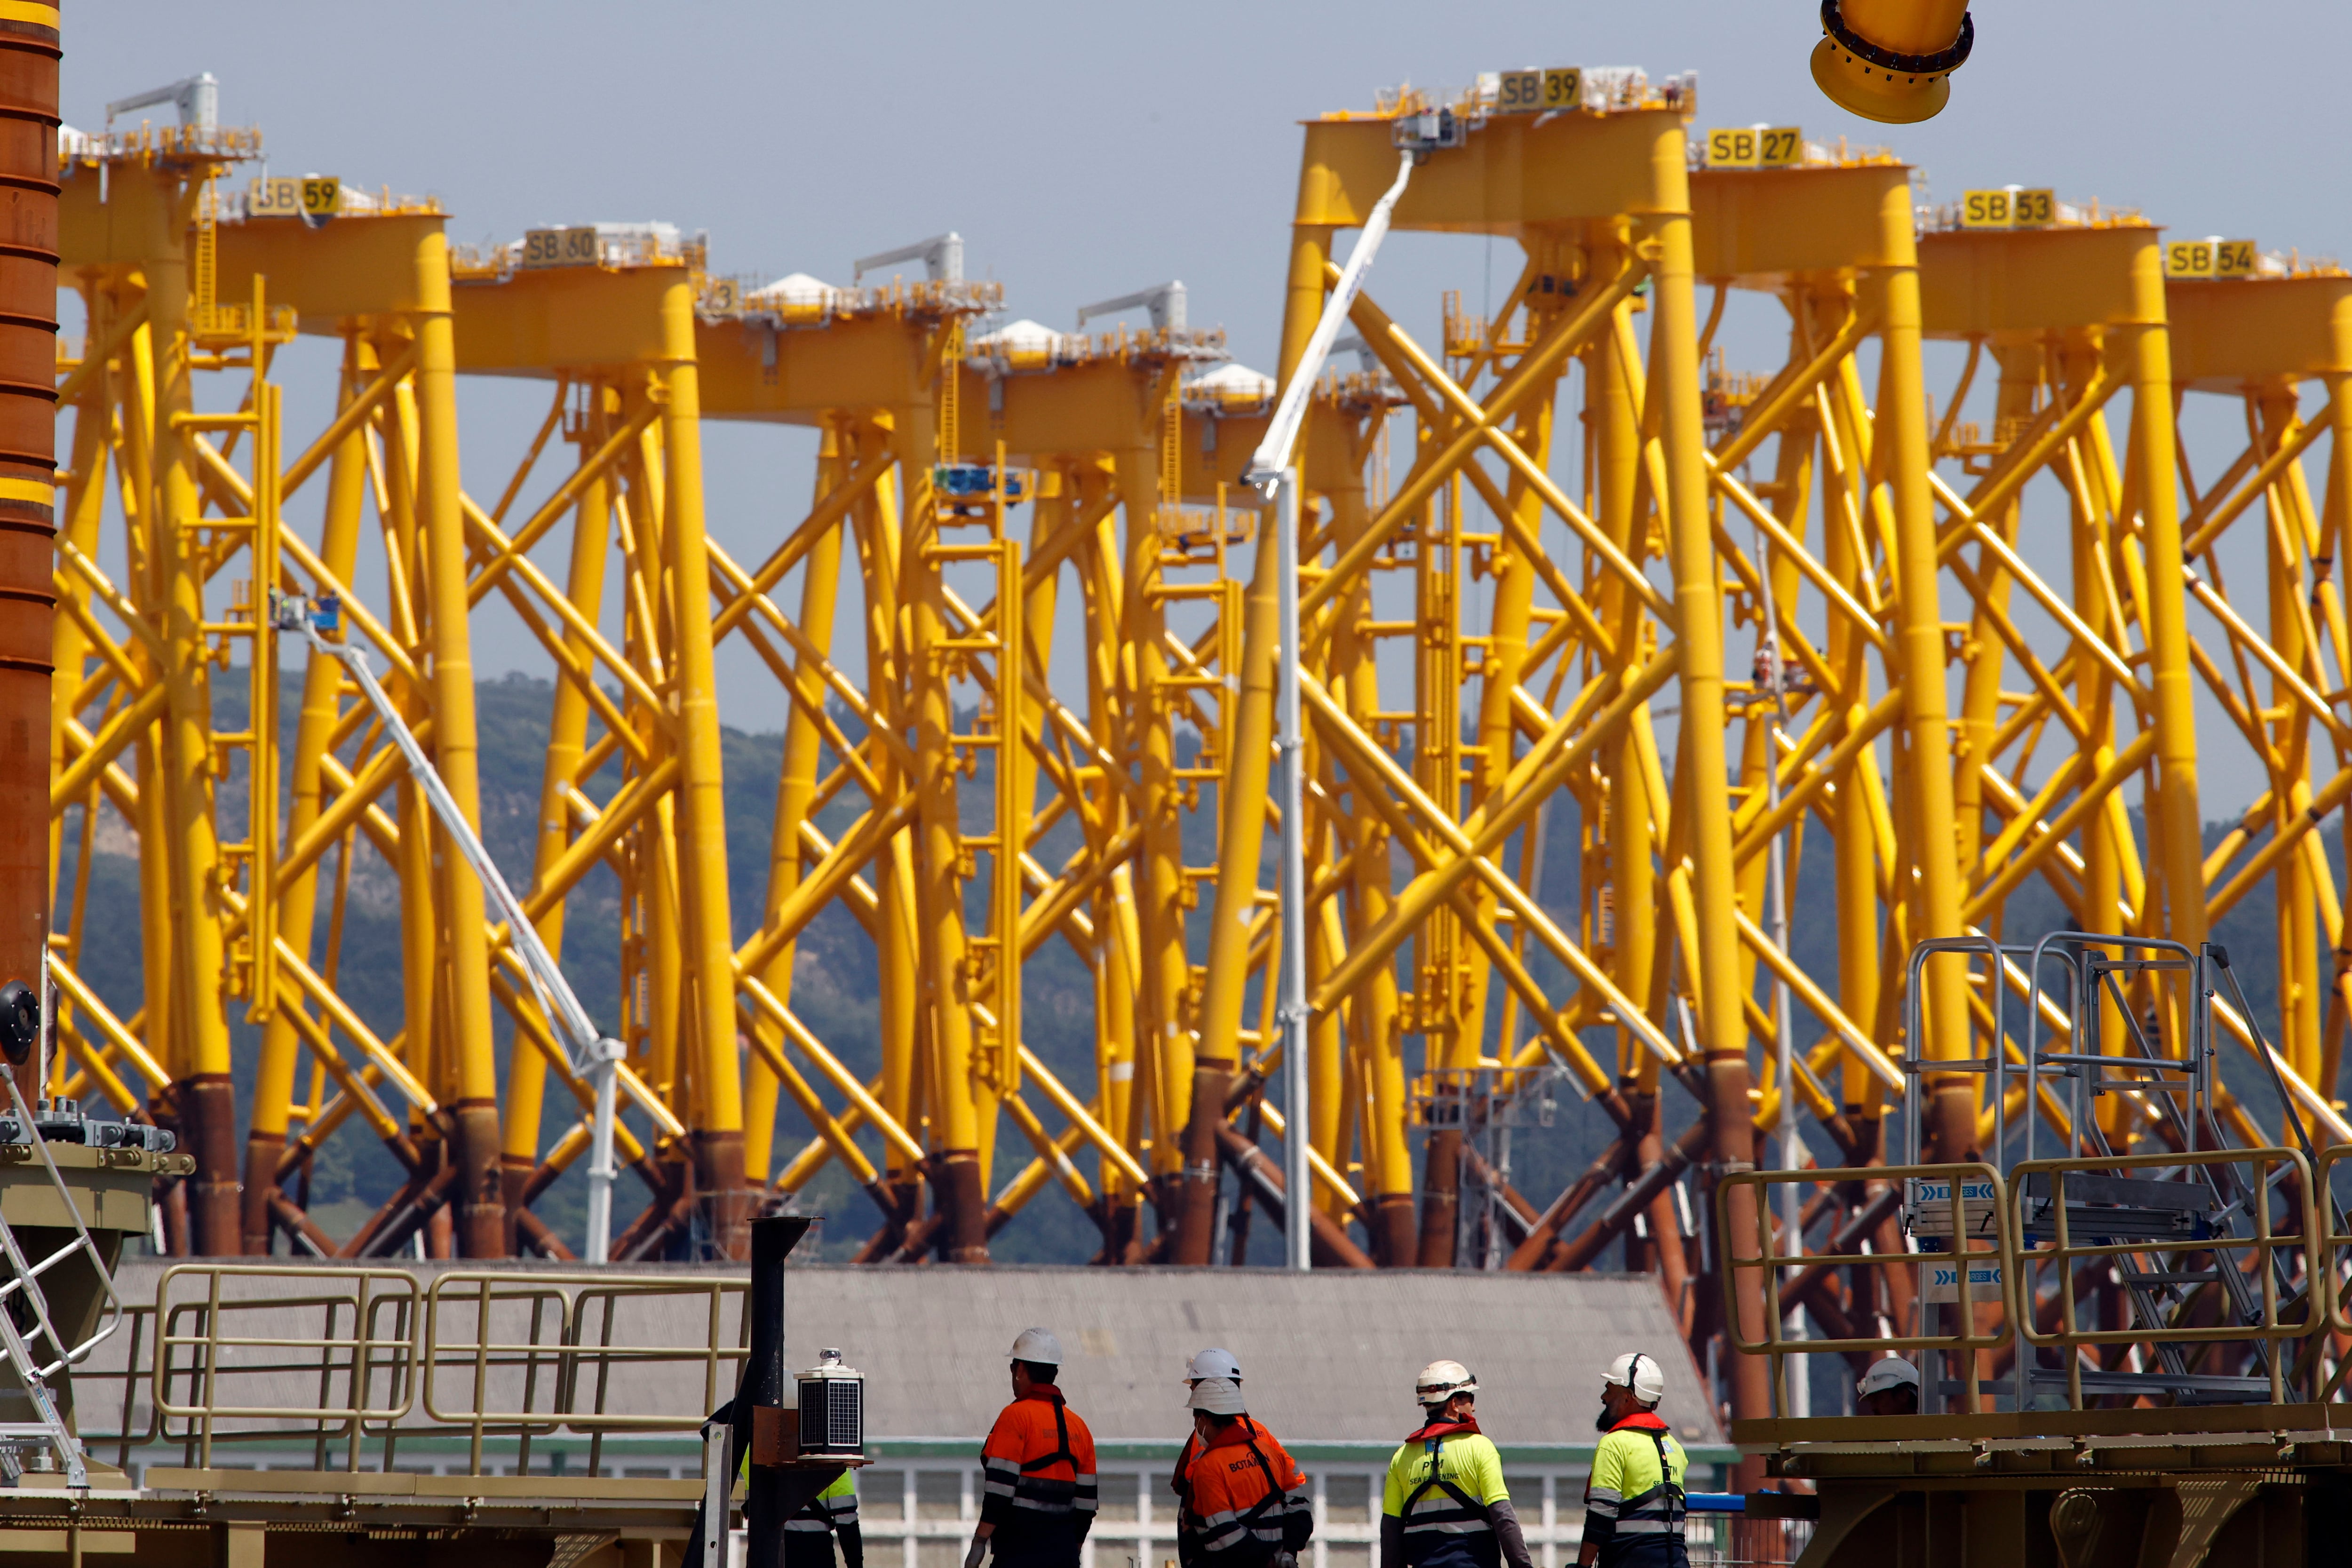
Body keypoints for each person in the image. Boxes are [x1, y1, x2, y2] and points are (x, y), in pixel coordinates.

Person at [1379, 1360, 1533, 1568]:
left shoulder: (1401, 1457)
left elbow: (1390, 1529)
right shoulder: (1480, 1448)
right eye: (1470, 1398)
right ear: (1454, 1404)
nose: (1474, 1407)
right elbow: (1503, 1517)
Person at [966, 1328, 1098, 1568]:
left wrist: (979, 1542)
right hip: (1064, 1555)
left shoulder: (1015, 1417)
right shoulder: (1080, 1427)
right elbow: (1087, 1505)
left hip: (1018, 1553)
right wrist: (1070, 1550)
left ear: (1021, 1370)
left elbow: (999, 1491)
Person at [1174, 1377, 1312, 1568]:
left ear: (1203, 1419)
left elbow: (1225, 1533)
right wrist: (1287, 1553)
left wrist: (1266, 1562)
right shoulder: (1270, 1453)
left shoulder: (1208, 1467)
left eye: (1196, 1419)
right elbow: (1300, 1509)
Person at [1577, 1353, 1688, 1568]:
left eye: (1609, 1389)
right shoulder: (1675, 1447)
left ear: (1627, 1398)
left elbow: (1601, 1515)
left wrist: (1582, 1565)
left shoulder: (1614, 1444)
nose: (1604, 1397)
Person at [1172, 1350, 1246, 1511]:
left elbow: (1189, 1480)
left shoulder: (1210, 1433)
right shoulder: (1258, 1431)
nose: (1193, 1396)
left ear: (1209, 1388)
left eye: (1194, 1389)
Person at [785, 1468, 864, 1568]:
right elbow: (847, 1524)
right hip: (818, 1554)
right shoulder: (837, 1464)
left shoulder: (769, 1459)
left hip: (780, 1551)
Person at [1854, 1357, 1921, 1417]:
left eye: (1878, 1399)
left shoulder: (1927, 1428)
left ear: (1903, 1395)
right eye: (1872, 1402)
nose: (1873, 1408)